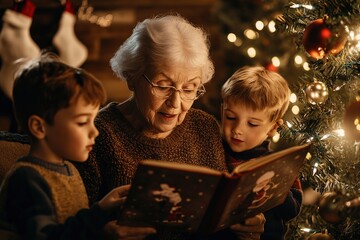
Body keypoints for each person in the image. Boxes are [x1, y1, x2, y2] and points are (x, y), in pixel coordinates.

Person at [74, 14, 265, 240]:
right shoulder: (97, 133)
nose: (175, 104)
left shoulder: (204, 126)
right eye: (163, 86)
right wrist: (102, 233)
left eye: (189, 89)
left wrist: (242, 222)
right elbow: (69, 221)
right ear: (132, 77)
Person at [0, 53, 133, 240]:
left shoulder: (71, 169)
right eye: (81, 123)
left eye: (93, 121)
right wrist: (98, 215)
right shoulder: (27, 178)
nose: (94, 132)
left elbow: (75, 227)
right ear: (39, 127)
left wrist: (102, 208)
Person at [220, 66, 303, 240]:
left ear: (273, 128)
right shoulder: (212, 150)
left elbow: (292, 210)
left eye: (252, 124)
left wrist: (275, 185)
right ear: (222, 111)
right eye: (231, 117)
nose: (237, 130)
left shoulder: (280, 164)